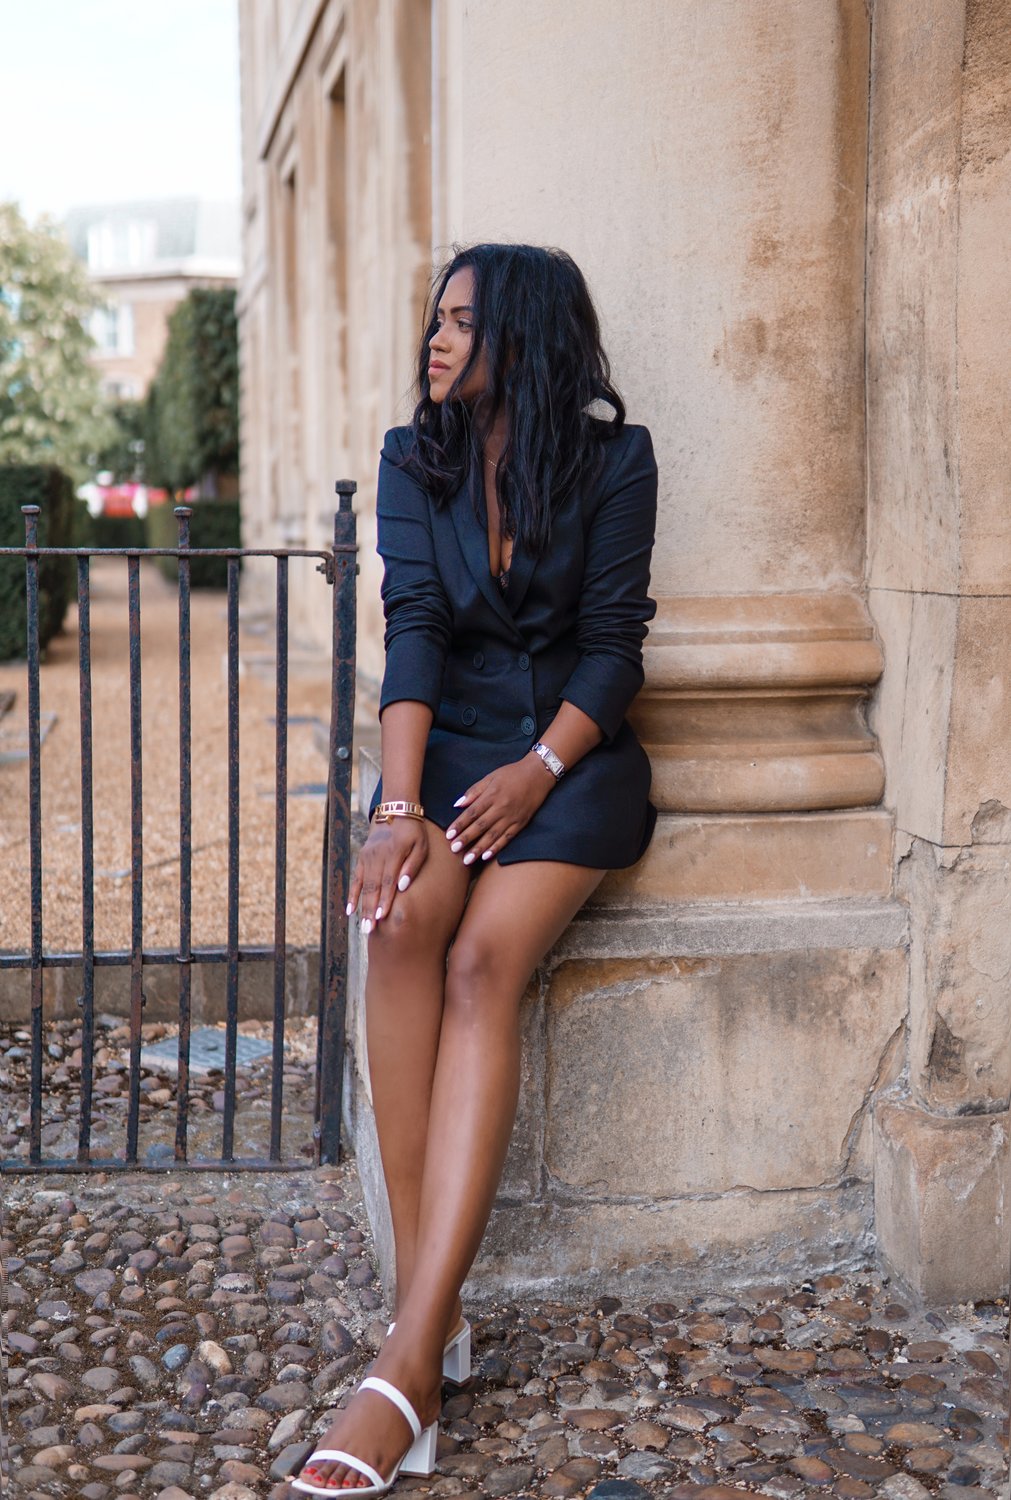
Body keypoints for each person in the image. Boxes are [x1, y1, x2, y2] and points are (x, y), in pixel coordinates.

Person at [292, 243, 658, 1496]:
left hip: (567, 771)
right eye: (433, 321)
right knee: (397, 923)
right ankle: (430, 1322)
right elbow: (417, 630)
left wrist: (539, 771)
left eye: (462, 323)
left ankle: (403, 1369)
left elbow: (614, 654)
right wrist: (398, 806)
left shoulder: (617, 463)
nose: (436, 343)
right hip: (445, 762)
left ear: (526, 338)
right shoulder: (416, 458)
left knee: (479, 968)